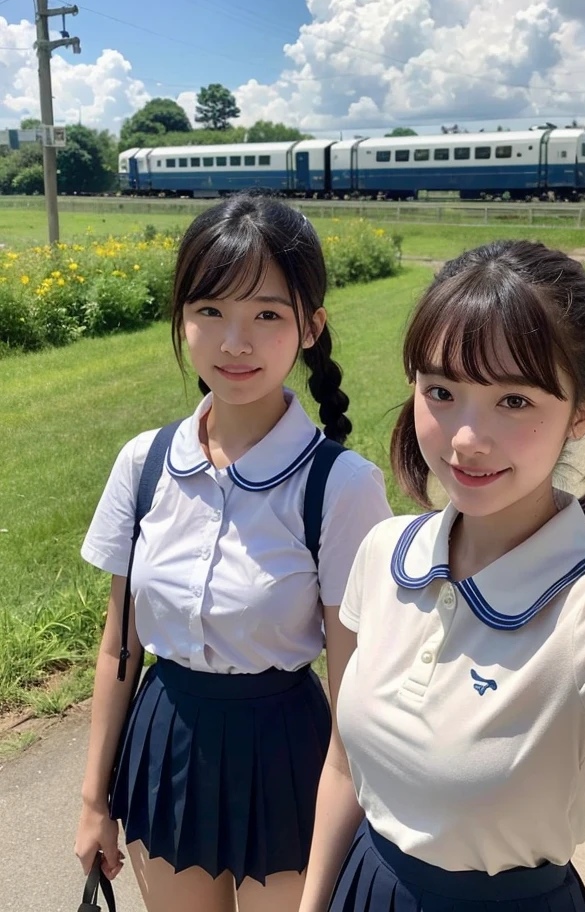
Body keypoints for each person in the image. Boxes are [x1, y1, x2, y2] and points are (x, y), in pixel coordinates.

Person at [299, 239, 585, 912]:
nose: (466, 439)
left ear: (584, 412)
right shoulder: (384, 553)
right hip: (364, 888)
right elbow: (342, 765)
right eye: (442, 391)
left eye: (514, 401)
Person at [74, 192, 392, 912]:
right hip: (165, 747)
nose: (234, 342)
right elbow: (118, 646)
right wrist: (95, 799)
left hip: (286, 758)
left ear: (311, 326)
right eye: (210, 310)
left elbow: (355, 687)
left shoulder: (341, 488)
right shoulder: (143, 463)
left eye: (267, 315)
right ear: (182, 318)